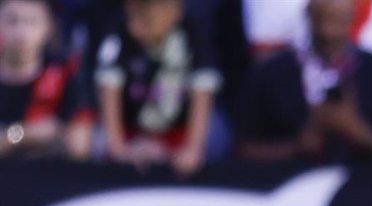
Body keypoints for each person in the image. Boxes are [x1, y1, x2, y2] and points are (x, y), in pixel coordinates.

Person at [234, 0, 372, 163]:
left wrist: (360, 132)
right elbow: (245, 148)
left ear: (353, 14)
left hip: (367, 185)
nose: (329, 24)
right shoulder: (272, 74)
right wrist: (297, 146)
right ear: (308, 12)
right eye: (324, 14)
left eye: (337, 16)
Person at [94, 0, 222, 175]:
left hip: (180, 130)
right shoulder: (117, 29)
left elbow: (203, 88)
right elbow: (108, 88)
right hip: (131, 132)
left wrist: (192, 149)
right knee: (97, 139)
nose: (135, 27)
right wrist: (120, 150)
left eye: (145, 19)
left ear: (173, 12)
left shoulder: (194, 29)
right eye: (131, 16)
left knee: (217, 131)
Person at [0, 0, 92, 160]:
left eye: (32, 22)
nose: (21, 32)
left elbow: (79, 148)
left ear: (48, 27)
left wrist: (16, 135)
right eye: (12, 20)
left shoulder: (66, 73)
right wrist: (28, 133)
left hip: (49, 178)